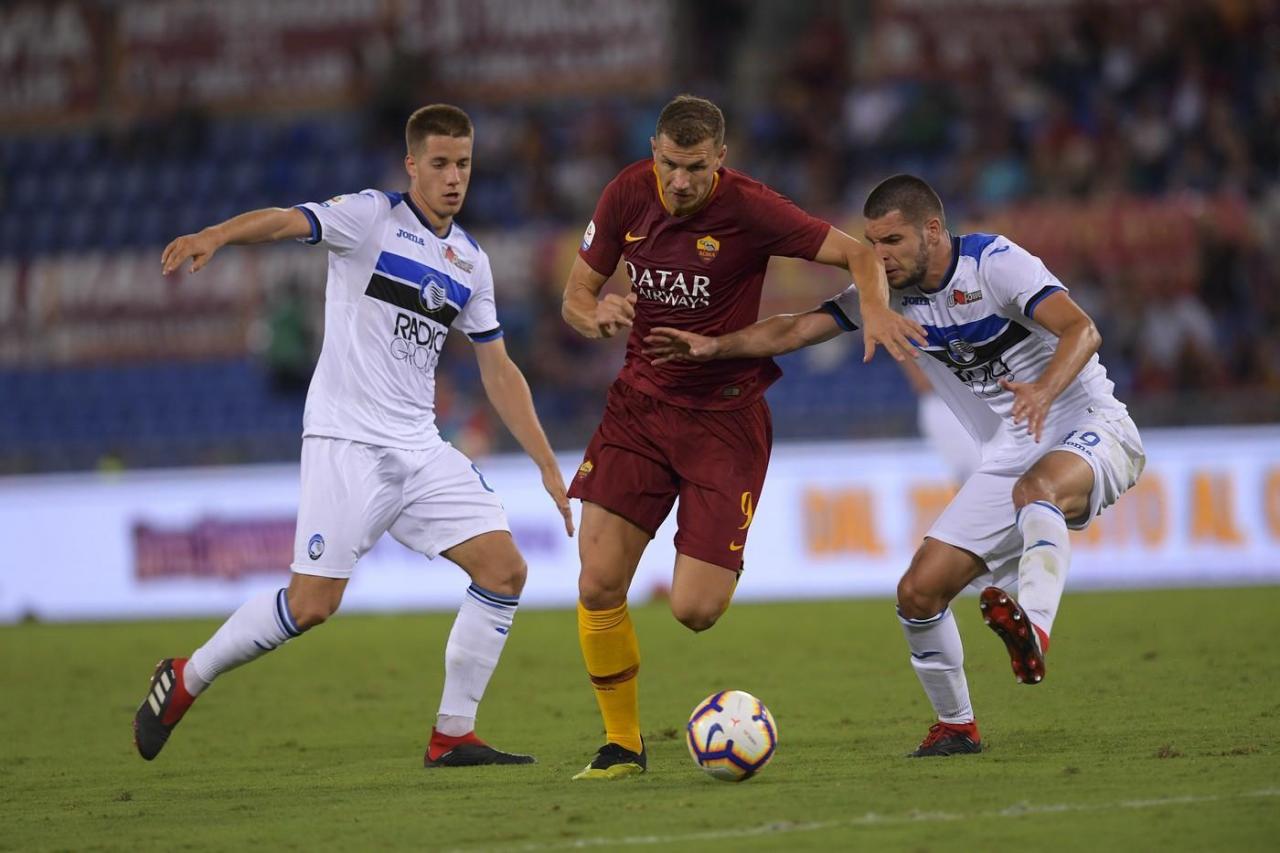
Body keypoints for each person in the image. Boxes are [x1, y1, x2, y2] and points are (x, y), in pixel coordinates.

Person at [644, 174, 1145, 758]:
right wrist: (715, 346)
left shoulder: (995, 264)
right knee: (917, 593)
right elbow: (797, 328)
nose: (878, 256)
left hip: (1093, 425)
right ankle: (956, 727)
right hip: (1014, 451)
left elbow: (1083, 328)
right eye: (871, 243)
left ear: (932, 230)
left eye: (892, 241)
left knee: (1038, 491)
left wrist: (1043, 390)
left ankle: (1032, 628)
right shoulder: (887, 294)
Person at [134, 104, 574, 768]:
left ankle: (453, 734)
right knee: (312, 604)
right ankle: (186, 675)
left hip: (419, 447)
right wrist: (217, 235)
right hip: (346, 441)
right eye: (440, 164)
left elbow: (498, 368)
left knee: (505, 569)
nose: (454, 177)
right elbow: (287, 220)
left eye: (463, 164)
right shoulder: (370, 217)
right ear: (412, 165)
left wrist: (544, 461)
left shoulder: (470, 260)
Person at [560, 95, 925, 779]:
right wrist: (595, 313)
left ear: (720, 159)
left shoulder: (752, 208)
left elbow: (857, 253)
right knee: (599, 582)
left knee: (696, 609)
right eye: (670, 165)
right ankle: (621, 745)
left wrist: (875, 311)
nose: (680, 182)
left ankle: (717, 546)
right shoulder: (625, 194)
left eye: (696, 168)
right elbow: (576, 296)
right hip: (638, 409)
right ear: (654, 152)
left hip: (724, 420)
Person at [899, 357, 981, 484]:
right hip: (942, 404)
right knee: (969, 475)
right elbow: (922, 383)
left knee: (984, 469)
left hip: (973, 395)